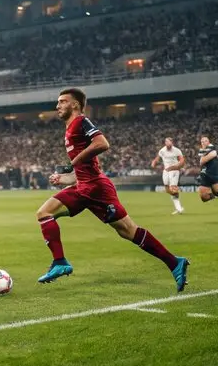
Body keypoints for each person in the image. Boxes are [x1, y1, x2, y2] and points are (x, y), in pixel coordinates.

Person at [36, 88, 189, 292]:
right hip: (85, 186)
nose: (57, 106)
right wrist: (64, 178)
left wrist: (74, 162)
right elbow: (82, 169)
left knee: (127, 230)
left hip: (96, 188)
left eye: (62, 101)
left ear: (74, 104)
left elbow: (102, 143)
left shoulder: (81, 122)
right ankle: (60, 262)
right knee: (46, 213)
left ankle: (174, 262)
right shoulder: (69, 129)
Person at [151, 137, 185, 215]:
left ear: (172, 142)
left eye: (168, 141)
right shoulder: (162, 150)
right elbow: (157, 158)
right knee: (167, 190)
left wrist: (179, 166)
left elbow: (182, 160)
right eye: (166, 141)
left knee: (173, 188)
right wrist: (154, 162)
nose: (167, 143)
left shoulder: (177, 150)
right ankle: (178, 204)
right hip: (166, 171)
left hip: (174, 170)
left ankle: (179, 208)